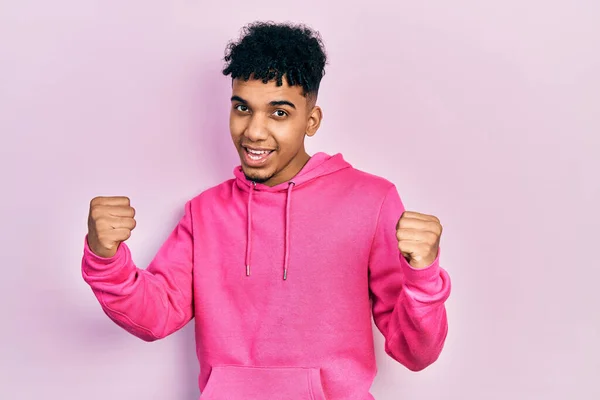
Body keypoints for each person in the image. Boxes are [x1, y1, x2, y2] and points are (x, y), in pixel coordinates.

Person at [81, 21, 451, 400]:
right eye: (243, 108)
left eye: (278, 113)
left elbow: (416, 351)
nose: (254, 131)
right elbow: (155, 315)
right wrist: (105, 259)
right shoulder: (204, 212)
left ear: (311, 120)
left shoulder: (371, 201)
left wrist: (424, 277)